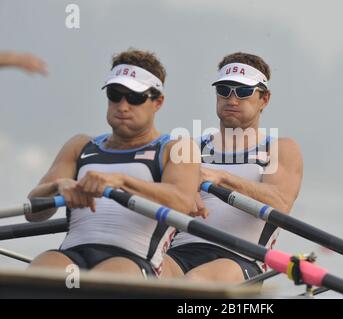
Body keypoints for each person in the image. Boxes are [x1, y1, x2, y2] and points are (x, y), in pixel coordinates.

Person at [27, 49, 202, 278]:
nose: (123, 105)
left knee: (107, 278)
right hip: (72, 255)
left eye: (135, 97)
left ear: (158, 102)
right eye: (115, 94)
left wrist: (120, 181)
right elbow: (33, 212)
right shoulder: (80, 145)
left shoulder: (177, 148)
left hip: (135, 261)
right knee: (42, 269)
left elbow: (182, 202)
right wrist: (58, 186)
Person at [162, 52, 303, 283]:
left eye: (243, 91)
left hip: (241, 259)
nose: (232, 99)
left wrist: (221, 177)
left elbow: (280, 203)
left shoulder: (279, 148)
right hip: (179, 253)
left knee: (195, 282)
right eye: (224, 90)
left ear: (264, 99)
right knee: (144, 279)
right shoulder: (189, 147)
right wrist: (183, 194)